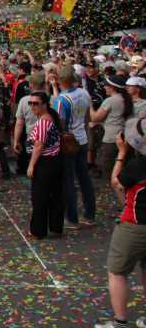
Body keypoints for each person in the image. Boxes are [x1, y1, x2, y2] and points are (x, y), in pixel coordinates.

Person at [94, 117, 146, 328]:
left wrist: (122, 154)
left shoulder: (138, 166)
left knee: (117, 271)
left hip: (135, 223)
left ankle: (120, 323)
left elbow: (117, 182)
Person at [51, 65, 96, 227]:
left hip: (69, 142)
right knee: (84, 178)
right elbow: (87, 117)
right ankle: (90, 214)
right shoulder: (84, 93)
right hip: (82, 138)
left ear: (60, 80)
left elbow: (60, 124)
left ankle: (72, 218)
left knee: (68, 180)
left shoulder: (61, 100)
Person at [25, 92, 65, 239]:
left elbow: (39, 145)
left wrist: (31, 165)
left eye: (36, 103)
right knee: (55, 195)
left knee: (40, 198)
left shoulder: (43, 121)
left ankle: (38, 230)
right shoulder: (51, 118)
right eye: (30, 103)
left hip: (45, 162)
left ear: (44, 104)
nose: (32, 106)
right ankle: (55, 227)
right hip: (55, 161)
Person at [92, 74, 134, 212]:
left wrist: (89, 106)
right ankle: (129, 202)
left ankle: (126, 208)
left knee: (113, 176)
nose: (104, 87)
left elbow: (96, 117)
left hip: (111, 140)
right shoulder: (127, 99)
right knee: (125, 173)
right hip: (125, 138)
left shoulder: (110, 101)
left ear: (113, 87)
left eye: (106, 85)